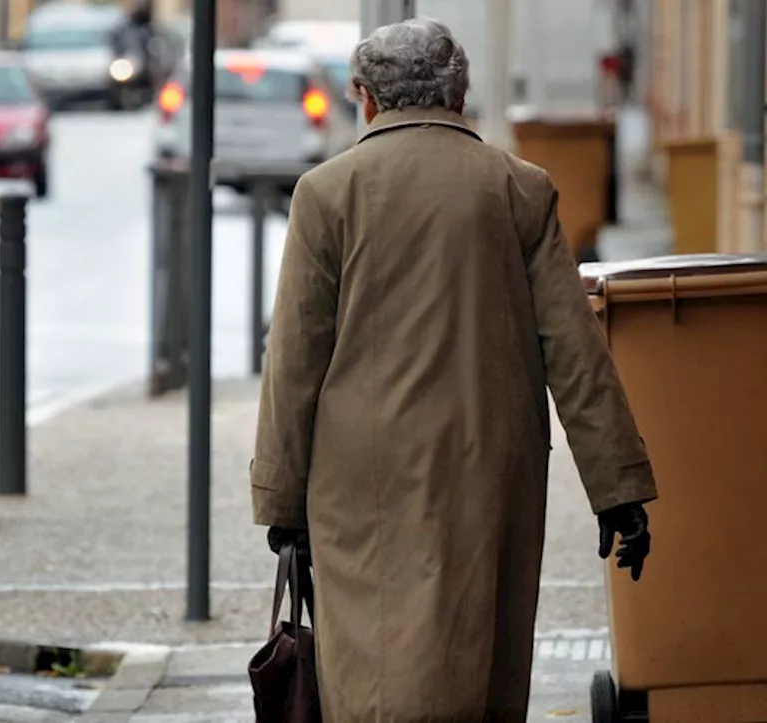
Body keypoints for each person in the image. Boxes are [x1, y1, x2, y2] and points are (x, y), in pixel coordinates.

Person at [251, 18, 657, 723]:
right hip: (489, 471)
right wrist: (616, 488)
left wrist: (282, 505)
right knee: (480, 654)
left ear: (367, 100)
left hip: (358, 483)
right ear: (460, 96)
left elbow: (293, 364)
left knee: (373, 668)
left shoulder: (326, 193)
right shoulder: (518, 188)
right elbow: (575, 350)